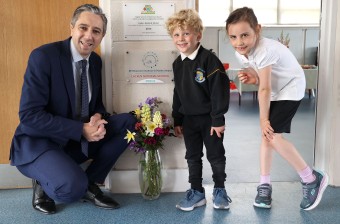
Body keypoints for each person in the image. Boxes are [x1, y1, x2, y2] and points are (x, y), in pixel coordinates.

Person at [10, 4, 136, 214]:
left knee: (129, 123)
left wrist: (97, 118)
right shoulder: (43, 57)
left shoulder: (95, 61)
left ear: (102, 36)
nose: (89, 36)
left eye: (96, 31)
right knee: (70, 189)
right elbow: (29, 116)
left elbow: (96, 105)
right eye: (83, 28)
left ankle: (90, 183)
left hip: (74, 141)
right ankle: (45, 180)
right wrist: (80, 130)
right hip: (40, 142)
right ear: (71, 28)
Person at [225, 7, 328, 210]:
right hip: (276, 90)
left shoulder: (265, 49)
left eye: (245, 35)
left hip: (290, 87)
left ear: (258, 30)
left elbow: (264, 88)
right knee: (267, 136)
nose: (239, 42)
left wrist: (264, 120)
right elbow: (261, 80)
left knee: (271, 135)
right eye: (233, 37)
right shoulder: (242, 54)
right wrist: (253, 78)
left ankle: (311, 178)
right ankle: (265, 184)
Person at [165, 9, 231, 211]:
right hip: (189, 121)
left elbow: (220, 91)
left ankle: (220, 190)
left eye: (186, 33)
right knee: (192, 157)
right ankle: (197, 192)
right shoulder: (178, 63)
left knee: (215, 155)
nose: (181, 39)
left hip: (210, 120)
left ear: (198, 35)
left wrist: (218, 118)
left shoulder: (209, 60)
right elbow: (179, 93)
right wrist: (177, 119)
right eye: (176, 34)